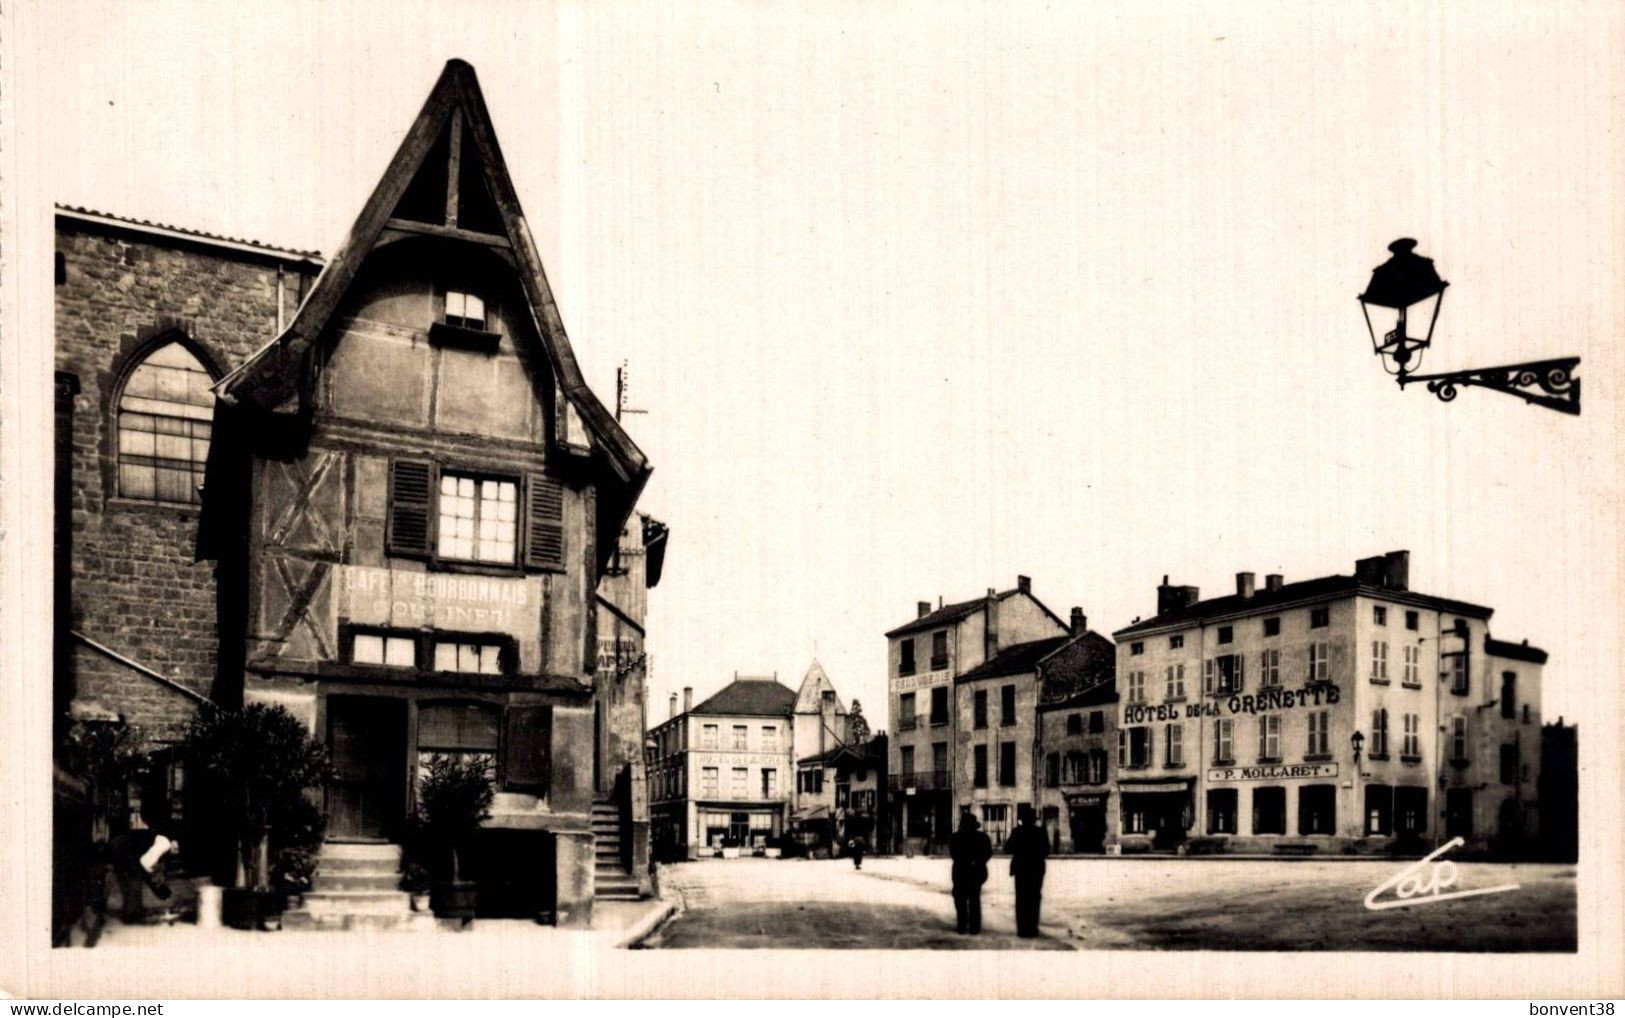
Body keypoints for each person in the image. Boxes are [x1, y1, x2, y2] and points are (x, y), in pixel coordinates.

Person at [106, 826, 177, 924]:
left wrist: (156, 887)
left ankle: (133, 913)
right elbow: (144, 863)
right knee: (132, 879)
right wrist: (157, 888)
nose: (176, 851)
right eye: (176, 848)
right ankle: (132, 915)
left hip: (121, 845)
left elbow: (145, 865)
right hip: (123, 849)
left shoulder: (162, 840)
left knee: (130, 879)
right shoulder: (165, 844)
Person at [1005, 804, 1049, 937]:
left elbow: (1007, 849)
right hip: (1036, 869)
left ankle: (1022, 929)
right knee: (1034, 898)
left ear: (1022, 820)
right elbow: (1046, 851)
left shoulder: (1016, 832)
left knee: (1021, 898)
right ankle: (1032, 927)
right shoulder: (1040, 832)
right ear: (1034, 820)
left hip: (1021, 869)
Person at [948, 811, 992, 935]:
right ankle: (974, 927)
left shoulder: (955, 837)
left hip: (960, 871)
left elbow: (954, 854)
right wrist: (977, 862)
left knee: (960, 899)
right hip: (976, 871)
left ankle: (962, 925)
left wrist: (966, 862)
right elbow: (988, 853)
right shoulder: (983, 837)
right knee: (974, 898)